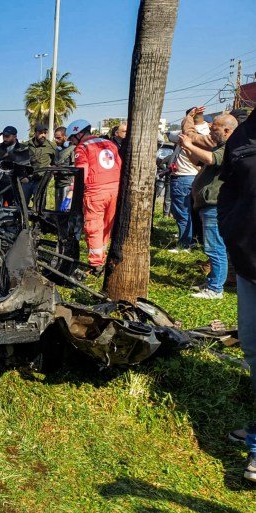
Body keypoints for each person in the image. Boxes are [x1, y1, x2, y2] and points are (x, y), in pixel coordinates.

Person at [218, 109, 256, 482]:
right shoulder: (242, 137)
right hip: (249, 268)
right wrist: (232, 231)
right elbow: (229, 188)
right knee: (252, 349)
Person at [179, 113, 238, 299]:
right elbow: (199, 161)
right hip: (209, 204)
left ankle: (215, 289)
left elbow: (212, 159)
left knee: (215, 247)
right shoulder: (221, 145)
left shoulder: (230, 145)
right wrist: (187, 148)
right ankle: (214, 281)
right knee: (213, 246)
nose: (210, 133)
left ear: (227, 131)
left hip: (215, 204)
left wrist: (189, 144)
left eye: (215, 130)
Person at [68, 119, 122, 275]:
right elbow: (119, 164)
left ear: (79, 133)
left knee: (93, 226)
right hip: (114, 189)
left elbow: (81, 173)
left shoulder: (82, 148)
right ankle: (102, 257)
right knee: (106, 225)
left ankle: (96, 264)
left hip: (95, 191)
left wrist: (73, 194)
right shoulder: (109, 144)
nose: (72, 141)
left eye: (72, 137)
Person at [168, 108, 209, 252]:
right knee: (195, 212)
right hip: (197, 177)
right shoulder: (208, 135)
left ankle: (185, 243)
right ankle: (196, 239)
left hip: (182, 177)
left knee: (182, 213)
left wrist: (188, 117)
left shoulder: (186, 136)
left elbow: (169, 135)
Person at [54, 126, 76, 211]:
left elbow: (75, 168)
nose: (56, 140)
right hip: (58, 184)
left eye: (58, 138)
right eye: (55, 138)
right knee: (58, 211)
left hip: (67, 185)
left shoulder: (73, 149)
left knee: (65, 211)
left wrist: (60, 169)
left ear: (65, 137)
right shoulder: (58, 150)